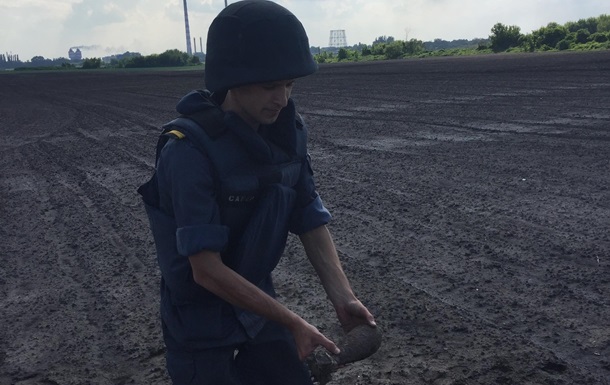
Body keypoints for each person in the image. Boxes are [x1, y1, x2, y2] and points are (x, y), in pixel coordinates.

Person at [138, 1, 376, 384]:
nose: (282, 99)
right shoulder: (188, 150)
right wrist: (295, 322)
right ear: (232, 79)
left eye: (289, 84)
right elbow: (206, 271)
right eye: (270, 86)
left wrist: (343, 296)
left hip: (258, 310)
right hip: (199, 322)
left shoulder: (288, 133)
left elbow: (309, 218)